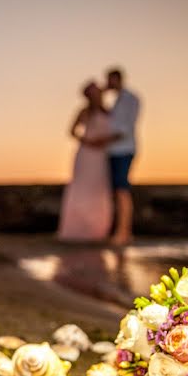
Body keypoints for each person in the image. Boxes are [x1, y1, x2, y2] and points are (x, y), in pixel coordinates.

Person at [57, 81, 114, 242]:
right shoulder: (84, 111)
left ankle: (97, 230)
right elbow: (72, 131)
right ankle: (76, 229)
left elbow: (117, 132)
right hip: (86, 153)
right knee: (82, 189)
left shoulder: (109, 112)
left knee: (98, 190)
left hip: (101, 154)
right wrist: (87, 141)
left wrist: (104, 141)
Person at [103, 67, 140, 246]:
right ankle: (121, 230)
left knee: (121, 189)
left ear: (117, 79)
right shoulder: (116, 101)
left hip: (123, 149)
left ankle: (124, 232)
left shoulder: (130, 99)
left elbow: (124, 129)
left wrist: (100, 140)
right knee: (117, 191)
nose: (107, 84)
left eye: (109, 80)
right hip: (114, 150)